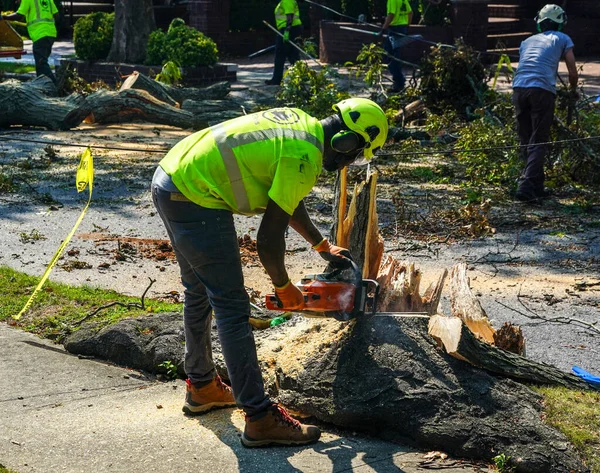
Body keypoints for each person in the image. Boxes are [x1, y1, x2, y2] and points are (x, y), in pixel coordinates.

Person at [151, 98, 388, 447]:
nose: (349, 162)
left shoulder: (302, 126)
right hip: (195, 195)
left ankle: (202, 386)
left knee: (199, 289)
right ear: (347, 142)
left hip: (171, 177)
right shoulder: (304, 157)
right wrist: (284, 286)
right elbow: (268, 239)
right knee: (232, 306)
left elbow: (285, 196)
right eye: (356, 154)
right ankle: (260, 418)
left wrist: (320, 243)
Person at [512, 4, 578, 204]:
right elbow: (573, 72)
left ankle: (537, 186)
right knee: (539, 139)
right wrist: (571, 92)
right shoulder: (563, 38)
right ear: (560, 23)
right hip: (541, 91)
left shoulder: (527, 41)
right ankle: (526, 186)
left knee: (526, 138)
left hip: (518, 89)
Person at [1, 0, 59, 83]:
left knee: (41, 64)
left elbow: (19, 15)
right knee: (42, 62)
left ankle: (52, 86)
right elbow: (56, 15)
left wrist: (3, 17)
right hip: (51, 34)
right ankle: (45, 86)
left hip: (40, 34)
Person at [265, 0, 303, 86]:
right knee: (292, 55)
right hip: (293, 29)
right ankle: (301, 76)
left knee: (280, 54)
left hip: (289, 29)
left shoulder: (287, 0)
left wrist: (286, 31)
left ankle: (276, 79)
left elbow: (290, 16)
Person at [379, 0, 413, 93]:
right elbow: (410, 13)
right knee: (396, 55)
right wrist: (407, 26)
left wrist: (383, 29)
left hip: (394, 29)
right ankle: (399, 81)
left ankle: (399, 83)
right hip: (402, 28)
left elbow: (391, 15)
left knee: (390, 55)